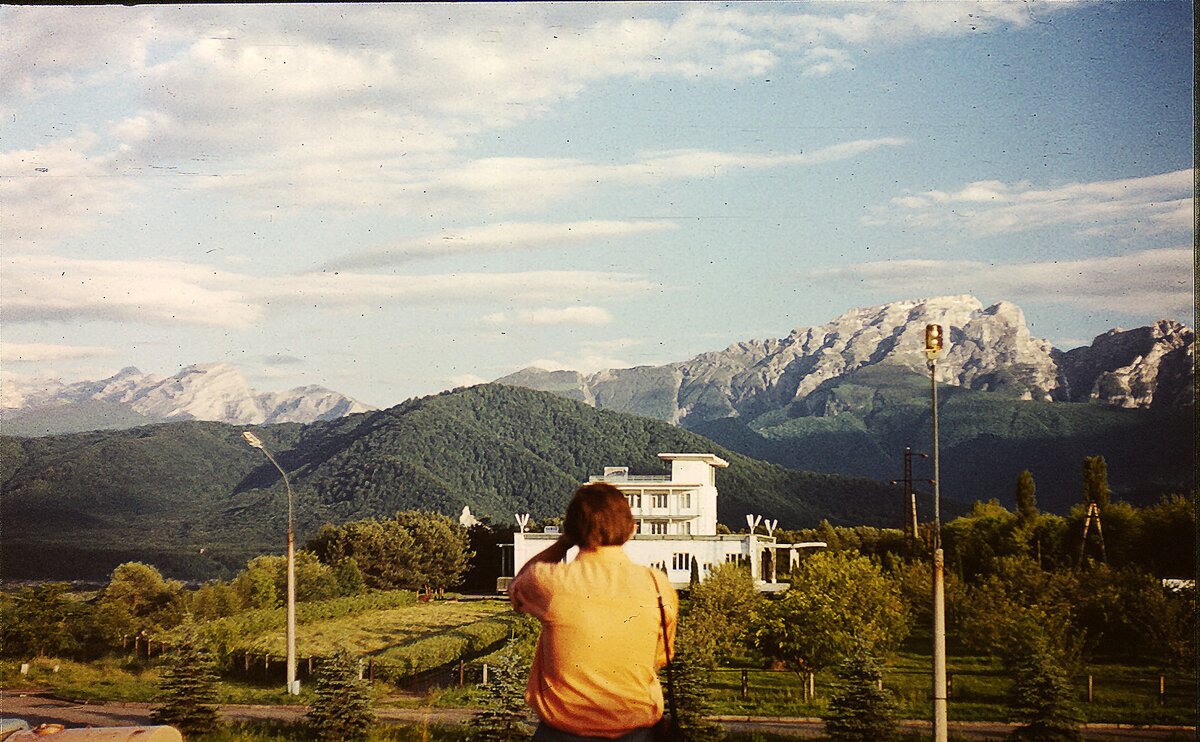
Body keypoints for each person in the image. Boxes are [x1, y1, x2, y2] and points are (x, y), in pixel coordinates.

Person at [509, 482, 678, 741]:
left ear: (574, 530)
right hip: (637, 732)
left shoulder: (551, 582)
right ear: (632, 528)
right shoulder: (658, 585)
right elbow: (661, 657)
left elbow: (517, 587)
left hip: (562, 733)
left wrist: (564, 543)